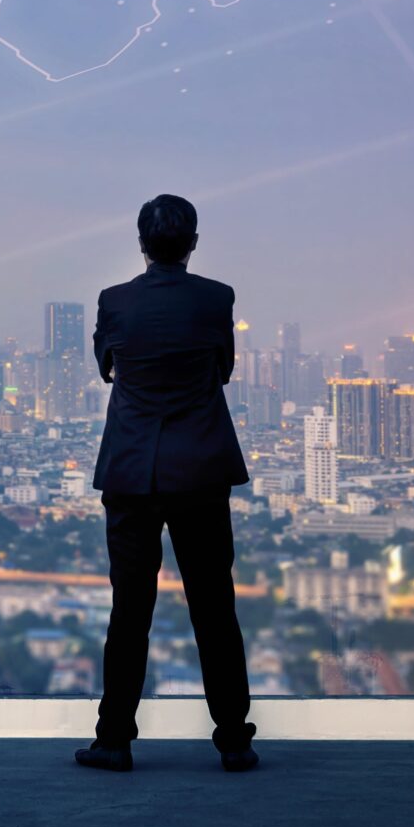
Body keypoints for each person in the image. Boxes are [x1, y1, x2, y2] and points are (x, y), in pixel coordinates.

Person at [74, 194, 258, 773]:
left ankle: (114, 739)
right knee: (213, 605)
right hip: (200, 469)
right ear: (194, 242)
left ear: (141, 243)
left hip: (132, 470)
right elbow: (222, 370)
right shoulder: (216, 300)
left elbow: (108, 367)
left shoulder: (114, 302)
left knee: (130, 607)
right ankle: (233, 738)